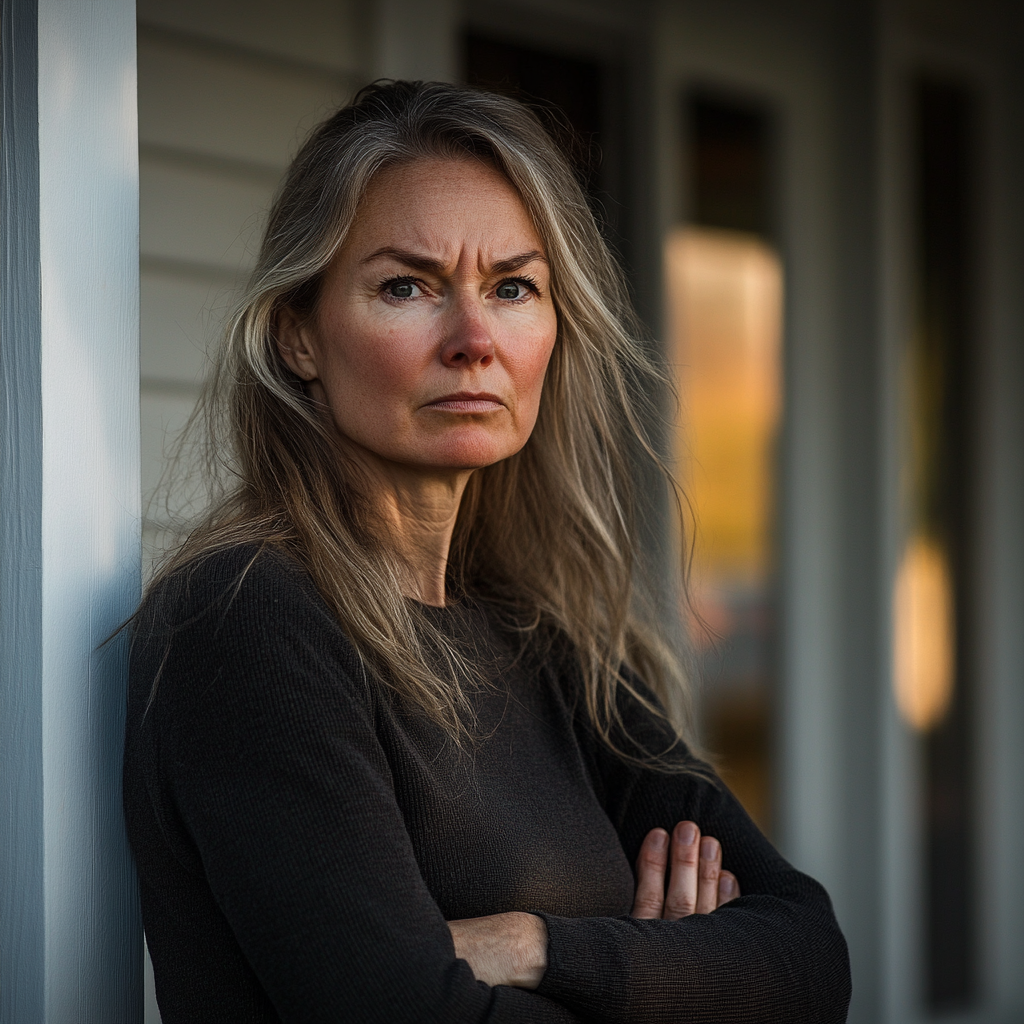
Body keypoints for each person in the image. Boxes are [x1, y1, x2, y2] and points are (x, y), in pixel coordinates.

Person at [123, 80, 851, 1023]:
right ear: (297, 335)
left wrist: (534, 946)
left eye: (513, 287)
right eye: (407, 287)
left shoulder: (545, 643)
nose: (474, 340)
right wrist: (676, 976)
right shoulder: (250, 621)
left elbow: (810, 955)